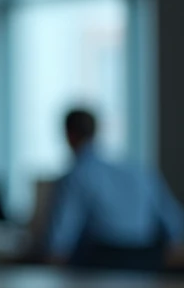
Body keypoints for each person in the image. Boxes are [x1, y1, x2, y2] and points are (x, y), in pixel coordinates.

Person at [45, 108, 184, 270]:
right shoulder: (140, 170)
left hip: (100, 265)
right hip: (146, 262)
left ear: (69, 135)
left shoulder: (78, 175)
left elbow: (60, 243)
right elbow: (175, 224)